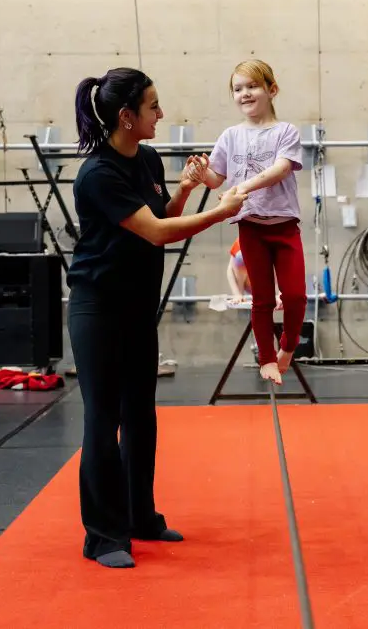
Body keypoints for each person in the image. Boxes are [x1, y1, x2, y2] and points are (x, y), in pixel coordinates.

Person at [68, 67, 247, 569]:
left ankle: (138, 516)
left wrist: (189, 191)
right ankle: (102, 536)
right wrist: (221, 210)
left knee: (140, 416)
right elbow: (156, 233)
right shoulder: (98, 173)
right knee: (103, 421)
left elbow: (163, 213)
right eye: (152, 107)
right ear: (127, 117)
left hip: (136, 307)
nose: (161, 115)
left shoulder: (145, 157)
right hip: (98, 308)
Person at [187, 59, 307, 385]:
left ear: (272, 89)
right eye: (237, 89)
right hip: (250, 225)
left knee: (295, 295)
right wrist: (202, 175)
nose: (244, 94)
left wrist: (242, 187)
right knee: (263, 298)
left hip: (283, 225)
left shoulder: (286, 132)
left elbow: (281, 168)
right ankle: (265, 357)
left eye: (252, 86)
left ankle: (289, 346)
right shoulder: (230, 135)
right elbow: (216, 178)